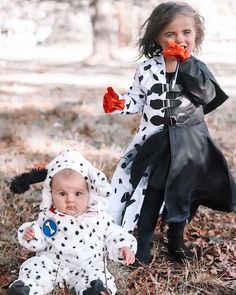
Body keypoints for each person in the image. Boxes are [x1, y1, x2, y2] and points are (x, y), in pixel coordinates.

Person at [103, 1, 236, 265]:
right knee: (152, 192)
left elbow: (207, 96)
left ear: (196, 35)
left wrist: (184, 66)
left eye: (186, 32)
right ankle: (142, 245)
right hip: (156, 142)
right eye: (171, 34)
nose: (180, 39)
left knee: (182, 194)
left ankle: (176, 242)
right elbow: (138, 99)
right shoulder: (148, 68)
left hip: (188, 144)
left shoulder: (196, 66)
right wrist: (120, 103)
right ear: (157, 37)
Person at [9, 150, 137, 295]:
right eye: (62, 194)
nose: (70, 200)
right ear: (50, 194)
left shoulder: (97, 216)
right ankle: (27, 287)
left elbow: (113, 233)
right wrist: (31, 235)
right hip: (52, 263)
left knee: (97, 275)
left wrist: (123, 246)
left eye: (77, 193)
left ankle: (94, 290)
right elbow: (41, 238)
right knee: (34, 267)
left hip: (87, 265)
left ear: (89, 192)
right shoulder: (49, 216)